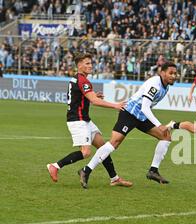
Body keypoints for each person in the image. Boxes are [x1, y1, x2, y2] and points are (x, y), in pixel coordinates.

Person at [77, 61, 178, 188]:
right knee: (114, 143)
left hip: (141, 116)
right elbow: (145, 107)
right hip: (130, 113)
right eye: (171, 73)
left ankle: (153, 171)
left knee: (166, 137)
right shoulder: (155, 85)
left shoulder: (166, 86)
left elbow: (145, 109)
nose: (174, 76)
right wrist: (159, 124)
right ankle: (86, 170)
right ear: (162, 73)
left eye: (175, 73)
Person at [46, 53, 132, 188]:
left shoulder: (76, 79)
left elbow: (81, 97)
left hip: (84, 120)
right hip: (78, 121)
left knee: (103, 148)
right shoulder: (83, 81)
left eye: (91, 63)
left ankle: (114, 178)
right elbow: (94, 101)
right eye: (86, 63)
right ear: (79, 65)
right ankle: (55, 166)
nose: (90, 66)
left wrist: (92, 95)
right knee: (86, 152)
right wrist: (115, 105)